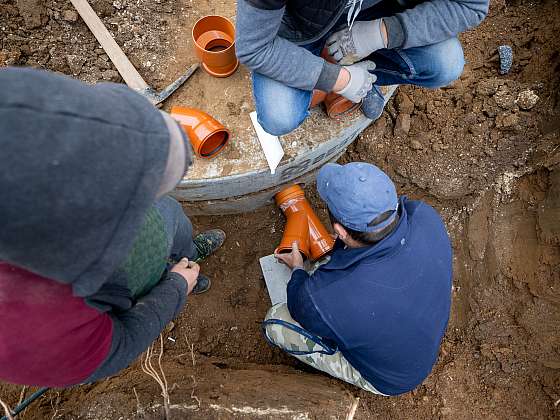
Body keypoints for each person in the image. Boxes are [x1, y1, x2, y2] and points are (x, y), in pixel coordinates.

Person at [0, 67, 225, 387]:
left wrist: (147, 136)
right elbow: (127, 338)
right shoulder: (34, 338)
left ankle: (188, 258)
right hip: (115, 290)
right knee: (167, 249)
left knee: (171, 215)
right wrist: (174, 290)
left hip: (106, 268)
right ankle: (183, 276)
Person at [266, 162, 452, 395]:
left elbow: (298, 304)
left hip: (392, 379)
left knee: (276, 321)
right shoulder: (425, 216)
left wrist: (298, 268)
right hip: (420, 337)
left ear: (340, 232)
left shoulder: (327, 297)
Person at [235, 0, 488, 136]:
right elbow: (254, 47)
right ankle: (336, 83)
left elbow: (470, 6)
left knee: (445, 61)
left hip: (371, 16)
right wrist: (339, 80)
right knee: (280, 116)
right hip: (297, 31)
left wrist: (383, 33)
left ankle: (358, 74)